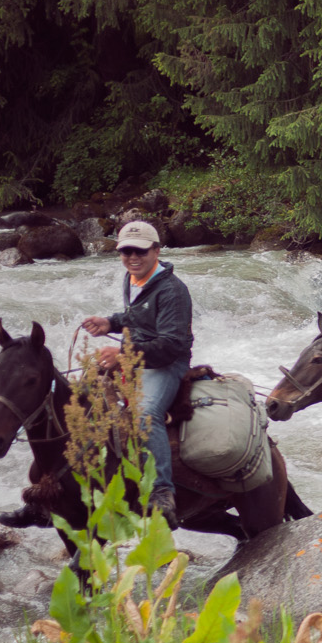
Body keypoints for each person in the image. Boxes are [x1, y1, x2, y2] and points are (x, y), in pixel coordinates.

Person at [80, 221, 194, 525]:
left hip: (167, 363)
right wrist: (110, 323)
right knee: (78, 398)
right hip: (135, 356)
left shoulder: (172, 290)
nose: (132, 256)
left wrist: (123, 356)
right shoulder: (133, 278)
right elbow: (136, 317)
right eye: (126, 251)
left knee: (145, 415)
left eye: (140, 250)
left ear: (156, 250)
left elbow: (171, 345)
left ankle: (162, 492)